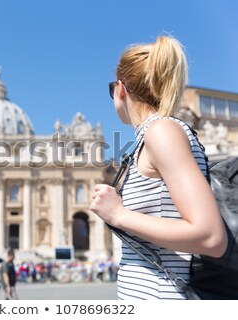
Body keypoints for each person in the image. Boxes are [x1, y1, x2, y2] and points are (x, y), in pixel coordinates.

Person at [90, 35, 227, 300]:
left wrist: (118, 215)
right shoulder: (151, 136)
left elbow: (211, 237)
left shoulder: (162, 131)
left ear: (121, 89)